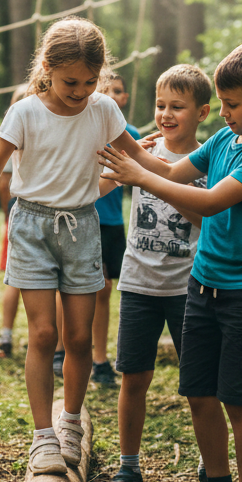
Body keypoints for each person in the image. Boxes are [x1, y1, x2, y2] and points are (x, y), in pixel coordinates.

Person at [0, 17, 149, 475]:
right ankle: (43, 437)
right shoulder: (25, 112)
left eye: (88, 81)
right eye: (69, 82)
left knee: (80, 337)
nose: (79, 91)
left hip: (83, 226)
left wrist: (178, 161)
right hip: (31, 226)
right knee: (44, 334)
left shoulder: (103, 109)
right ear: (46, 67)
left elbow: (138, 156)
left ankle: (71, 422)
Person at [98, 41, 242, 482]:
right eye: (222, 103)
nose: (223, 113)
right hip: (203, 287)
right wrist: (110, 119)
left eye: (231, 104)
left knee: (239, 402)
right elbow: (164, 168)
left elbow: (206, 200)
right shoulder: (227, 138)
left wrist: (141, 176)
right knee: (200, 394)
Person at [99, 64, 211, 482]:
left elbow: (208, 215)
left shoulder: (207, 161)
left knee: (199, 383)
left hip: (189, 289)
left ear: (202, 112)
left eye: (177, 107)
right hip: (138, 284)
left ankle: (210, 462)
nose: (166, 114)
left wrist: (155, 178)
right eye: (161, 105)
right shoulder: (139, 151)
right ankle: (128, 471)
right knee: (133, 378)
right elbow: (97, 189)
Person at [87, 73, 140, 386]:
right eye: (110, 91)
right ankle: (73, 353)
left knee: (107, 290)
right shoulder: (85, 127)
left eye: (121, 91)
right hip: (85, 217)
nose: (116, 96)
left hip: (112, 222)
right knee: (91, 288)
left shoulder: (129, 135)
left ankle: (102, 359)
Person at [0, 83, 28, 359]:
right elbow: (4, 183)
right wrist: (9, 218)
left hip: (22, 212)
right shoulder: (13, 138)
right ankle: (6, 334)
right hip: (19, 213)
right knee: (15, 280)